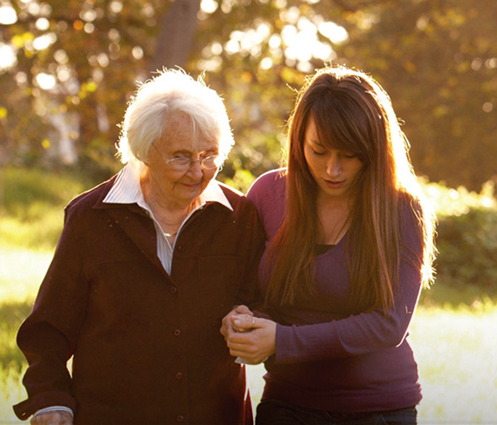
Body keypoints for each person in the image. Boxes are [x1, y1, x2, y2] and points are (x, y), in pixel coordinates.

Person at [13, 69, 265, 425]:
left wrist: (248, 316)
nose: (198, 171)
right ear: (144, 150)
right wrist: (51, 399)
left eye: (209, 155)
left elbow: (260, 300)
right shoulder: (90, 218)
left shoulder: (240, 217)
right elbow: (49, 329)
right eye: (180, 156)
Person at [220, 66, 436, 425]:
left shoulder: (401, 209)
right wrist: (244, 319)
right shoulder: (268, 195)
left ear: (374, 150)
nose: (333, 169)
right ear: (298, 140)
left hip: (377, 410)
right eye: (318, 151)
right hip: (286, 405)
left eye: (349, 155)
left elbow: (388, 324)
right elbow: (255, 295)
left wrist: (283, 341)